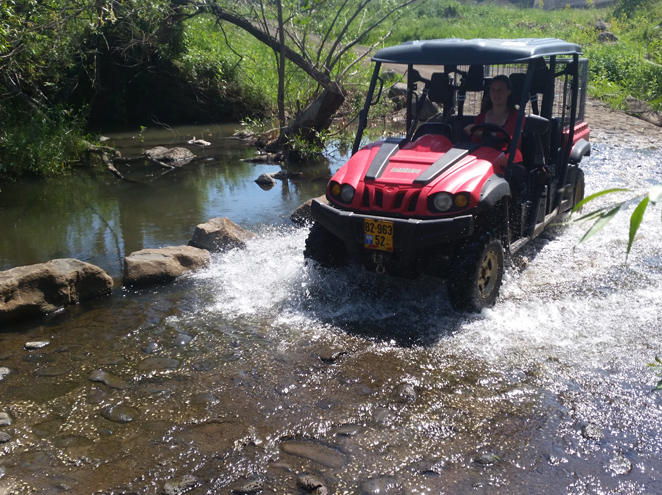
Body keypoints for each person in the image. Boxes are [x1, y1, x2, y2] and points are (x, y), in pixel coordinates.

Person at [463, 74, 523, 163]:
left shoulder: (516, 116)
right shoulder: (481, 117)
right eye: (493, 90)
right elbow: (474, 142)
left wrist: (479, 133)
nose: (496, 93)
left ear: (509, 92)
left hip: (509, 161)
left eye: (501, 90)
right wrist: (471, 131)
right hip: (483, 159)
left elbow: (508, 137)